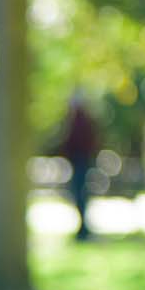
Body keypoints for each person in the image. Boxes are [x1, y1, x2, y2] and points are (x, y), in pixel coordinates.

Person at [57, 90, 100, 241]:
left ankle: (83, 230)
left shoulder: (79, 120)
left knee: (80, 195)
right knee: (80, 195)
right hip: (80, 161)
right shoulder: (80, 119)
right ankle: (82, 229)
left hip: (80, 161)